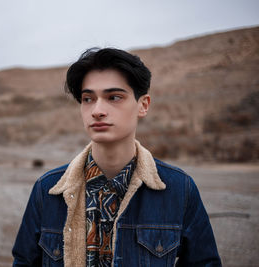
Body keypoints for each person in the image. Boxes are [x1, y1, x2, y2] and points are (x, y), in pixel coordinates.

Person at [12, 48, 222, 266]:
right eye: (88, 98)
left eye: (114, 97)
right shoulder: (47, 189)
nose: (97, 110)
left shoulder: (179, 188)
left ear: (143, 105)